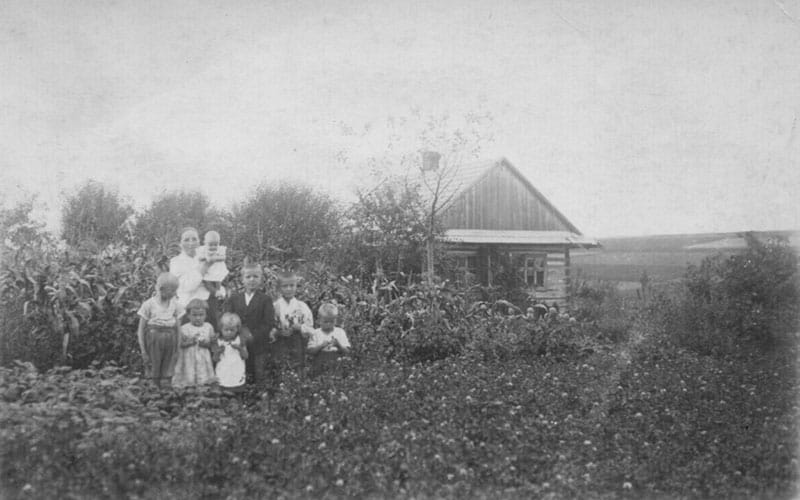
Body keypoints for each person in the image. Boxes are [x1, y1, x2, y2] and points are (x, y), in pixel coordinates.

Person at [223, 263, 276, 388]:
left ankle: (258, 399)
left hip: (258, 344)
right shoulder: (234, 299)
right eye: (248, 277)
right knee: (239, 372)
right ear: (242, 279)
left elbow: (268, 322)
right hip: (238, 344)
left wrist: (252, 335)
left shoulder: (265, 300)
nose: (252, 280)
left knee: (258, 374)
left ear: (261, 279)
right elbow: (228, 318)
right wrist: (236, 335)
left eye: (255, 276)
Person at [136, 272, 184, 388]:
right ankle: (154, 393)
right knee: (153, 368)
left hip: (170, 340)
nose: (174, 293)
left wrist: (177, 348)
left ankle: (166, 394)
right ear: (161, 289)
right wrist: (143, 350)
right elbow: (141, 330)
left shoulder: (175, 305)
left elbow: (178, 329)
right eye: (172, 291)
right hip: (153, 340)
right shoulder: (149, 305)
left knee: (168, 369)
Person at [272, 271, 314, 374]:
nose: (289, 289)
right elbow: (270, 325)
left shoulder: (302, 306)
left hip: (297, 341)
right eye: (285, 286)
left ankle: (297, 385)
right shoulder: (275, 306)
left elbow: (310, 327)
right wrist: (278, 332)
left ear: (296, 286)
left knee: (298, 365)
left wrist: (300, 327)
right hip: (280, 341)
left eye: (292, 285)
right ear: (279, 288)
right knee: (281, 365)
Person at [172, 298, 217, 388]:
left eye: (201, 315)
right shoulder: (184, 328)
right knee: (189, 377)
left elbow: (212, 344)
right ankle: (189, 391)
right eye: (194, 315)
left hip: (203, 357)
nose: (198, 318)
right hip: (189, 358)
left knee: (203, 377)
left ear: (206, 315)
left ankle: (203, 392)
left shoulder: (208, 327)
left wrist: (206, 343)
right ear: (188, 315)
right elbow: (180, 344)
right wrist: (189, 342)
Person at [169, 227, 210, 309]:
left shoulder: (206, 257)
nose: (191, 243)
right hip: (187, 306)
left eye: (194, 239)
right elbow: (185, 287)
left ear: (199, 242)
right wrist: (202, 270)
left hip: (208, 303)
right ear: (180, 243)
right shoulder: (175, 262)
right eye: (186, 240)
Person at [307, 303, 351, 377]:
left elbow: (347, 351)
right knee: (320, 380)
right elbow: (310, 351)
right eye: (326, 322)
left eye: (332, 322)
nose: (329, 324)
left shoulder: (340, 332)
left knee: (336, 379)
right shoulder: (315, 333)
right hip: (320, 361)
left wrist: (338, 345)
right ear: (319, 320)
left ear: (336, 320)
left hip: (336, 360)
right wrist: (321, 346)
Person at [215, 312, 248, 392]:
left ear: (237, 329)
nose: (229, 332)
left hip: (237, 368)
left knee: (237, 388)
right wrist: (218, 351)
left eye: (232, 330)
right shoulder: (218, 341)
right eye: (226, 330)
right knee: (223, 388)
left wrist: (239, 348)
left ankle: (238, 400)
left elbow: (246, 356)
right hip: (223, 369)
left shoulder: (240, 340)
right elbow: (215, 359)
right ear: (221, 329)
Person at [197, 230, 229, 300]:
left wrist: (215, 258)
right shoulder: (202, 249)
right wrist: (205, 258)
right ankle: (215, 292)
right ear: (205, 243)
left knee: (218, 281)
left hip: (217, 269)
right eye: (210, 244)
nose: (213, 247)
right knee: (206, 282)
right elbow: (198, 257)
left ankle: (219, 291)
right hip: (207, 270)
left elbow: (223, 257)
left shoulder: (220, 249)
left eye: (216, 244)